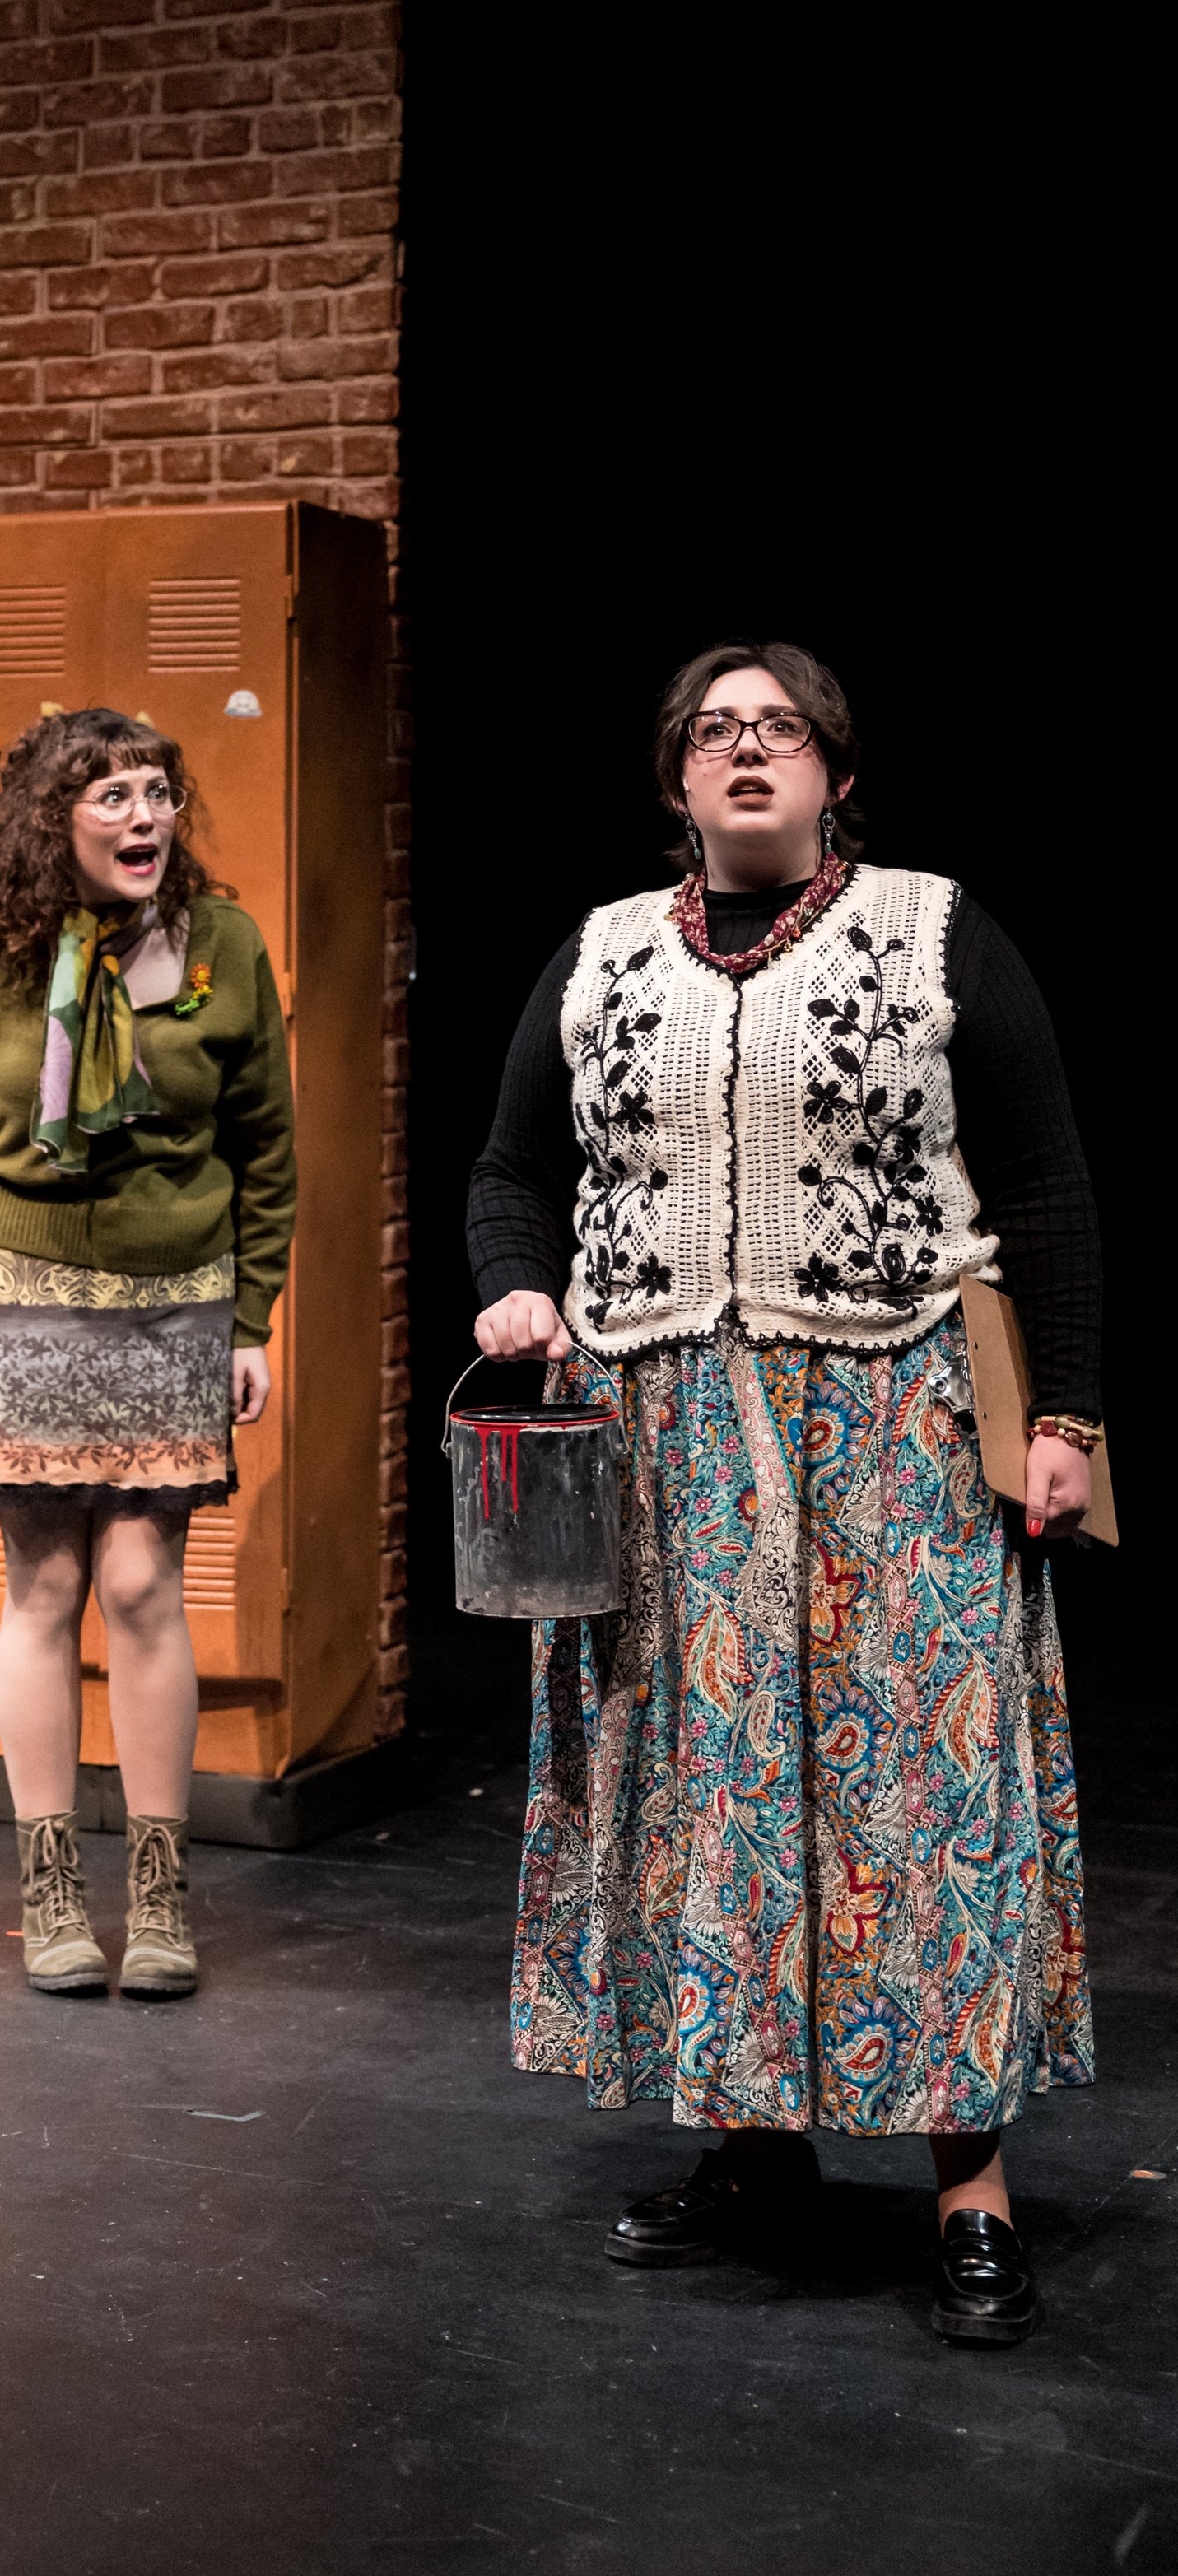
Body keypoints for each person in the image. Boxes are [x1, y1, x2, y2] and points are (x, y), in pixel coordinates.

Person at [465, 640, 1100, 2348]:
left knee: (919, 1786)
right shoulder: (599, 953)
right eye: (713, 733)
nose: (747, 752)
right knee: (705, 1791)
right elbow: (513, 1169)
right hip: (661, 1434)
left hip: (891, 1421)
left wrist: (1070, 1422)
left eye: (780, 730)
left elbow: (1038, 1187)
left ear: (830, 771)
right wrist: (515, 1288)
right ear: (676, 779)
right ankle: (754, 2143)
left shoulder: (931, 927)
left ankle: (968, 2186)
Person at [0, 708, 295, 2000]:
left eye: (159, 793)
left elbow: (267, 1151)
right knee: (47, 1582)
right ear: (52, 819)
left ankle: (164, 1886)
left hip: (171, 1288)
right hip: (14, 1280)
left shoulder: (223, 944)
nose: (144, 817)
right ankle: (51, 1881)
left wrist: (252, 1319)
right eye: (113, 795)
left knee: (141, 1582)